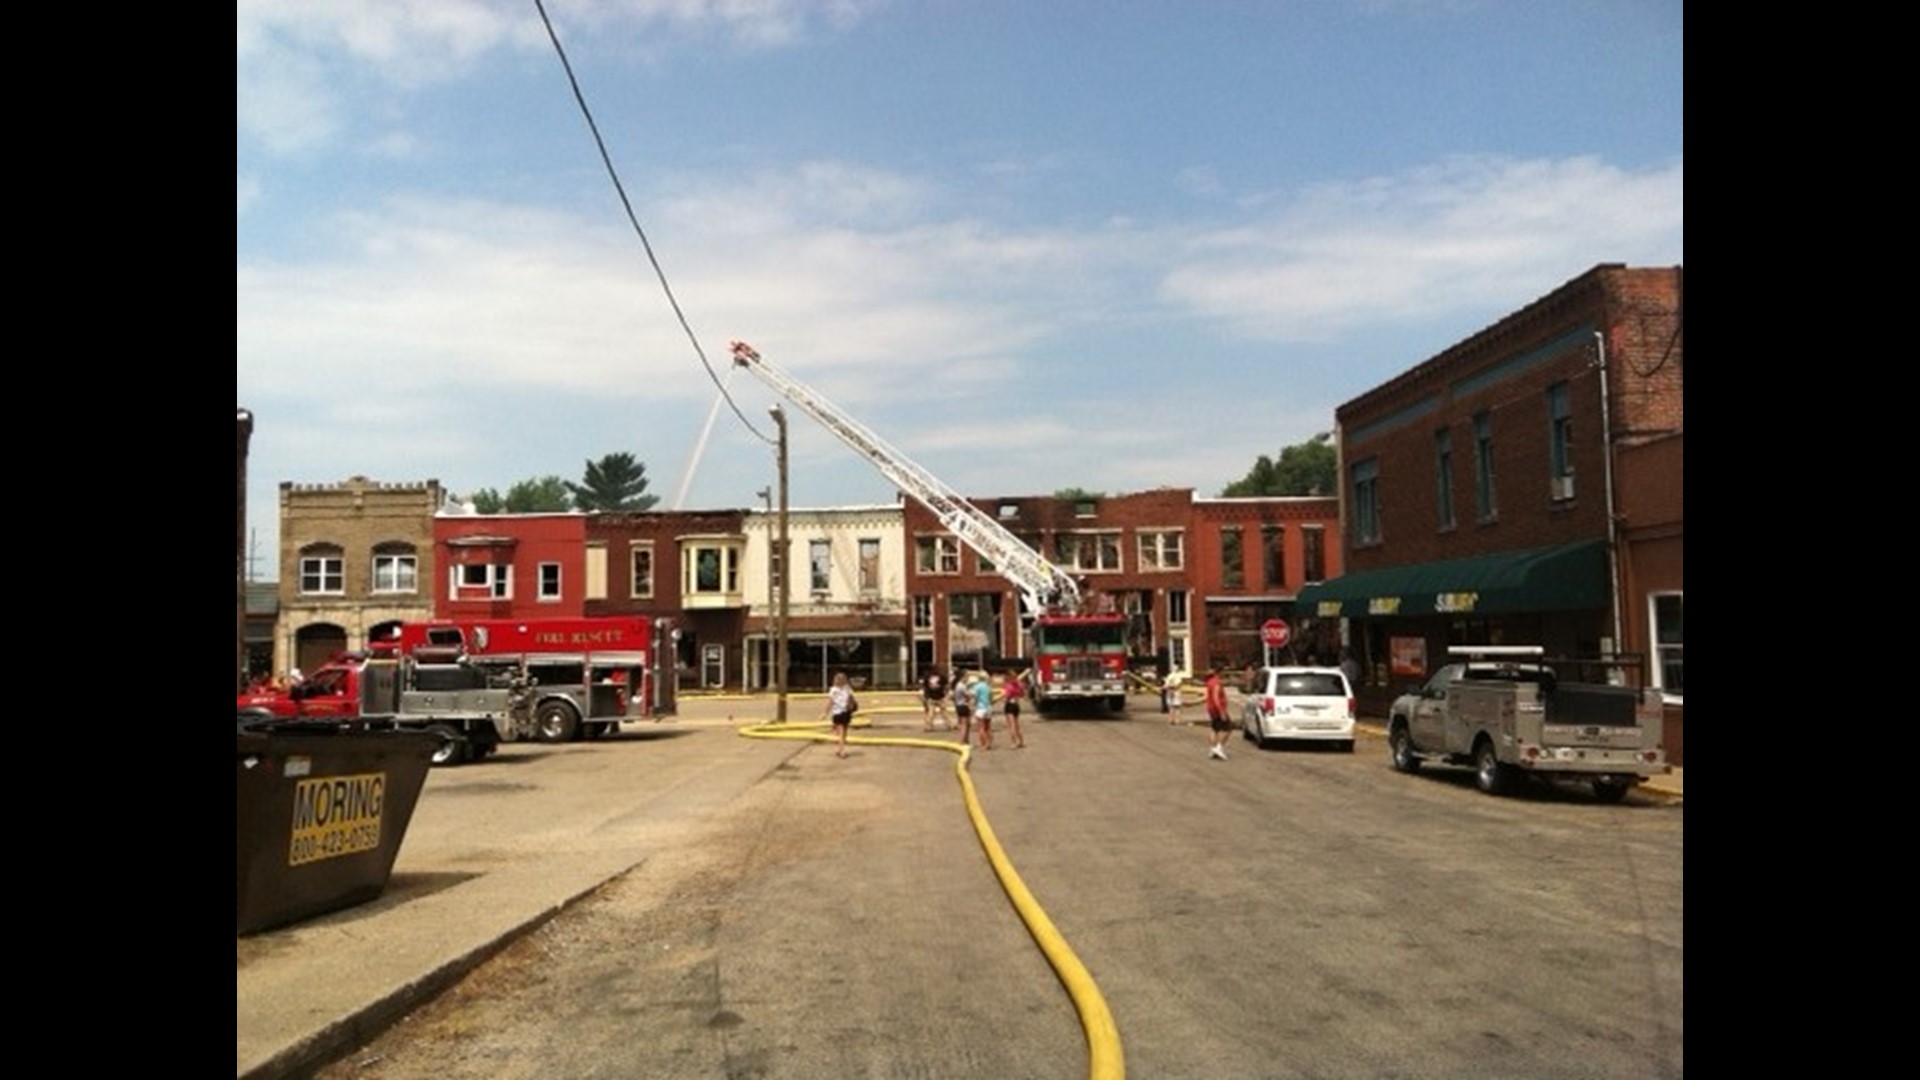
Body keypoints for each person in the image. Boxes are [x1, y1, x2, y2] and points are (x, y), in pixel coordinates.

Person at [823, 672, 855, 758]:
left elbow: (830, 702)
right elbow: (851, 699)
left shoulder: (833, 690)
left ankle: (841, 750)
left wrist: (825, 713)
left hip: (837, 713)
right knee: (844, 732)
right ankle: (840, 749)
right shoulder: (848, 688)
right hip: (846, 712)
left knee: (840, 732)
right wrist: (851, 707)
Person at [1204, 667, 1231, 760]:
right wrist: (1221, 711)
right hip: (1217, 709)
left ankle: (1212, 748)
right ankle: (1219, 747)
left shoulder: (1210, 682)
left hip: (1211, 709)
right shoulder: (1216, 683)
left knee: (1215, 729)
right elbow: (1216, 698)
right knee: (1228, 728)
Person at [1002, 669, 1026, 749]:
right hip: (1016, 705)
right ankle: (1021, 741)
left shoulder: (1009, 686)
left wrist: (1004, 697)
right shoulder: (1019, 685)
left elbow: (1006, 697)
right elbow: (1022, 694)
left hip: (1009, 705)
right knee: (1017, 725)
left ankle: (1014, 742)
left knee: (1011, 725)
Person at [973, 672, 995, 750]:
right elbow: (991, 697)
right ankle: (990, 743)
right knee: (988, 727)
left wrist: (974, 705)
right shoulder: (988, 686)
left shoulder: (977, 687)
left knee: (981, 727)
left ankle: (984, 744)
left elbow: (975, 698)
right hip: (988, 707)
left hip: (981, 708)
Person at [953, 671, 974, 744]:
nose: (968, 678)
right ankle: (962, 741)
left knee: (966, 724)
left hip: (959, 705)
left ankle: (966, 740)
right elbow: (969, 695)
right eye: (967, 677)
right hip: (963, 706)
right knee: (964, 725)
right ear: (962, 677)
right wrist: (972, 691)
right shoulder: (961, 686)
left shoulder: (958, 685)